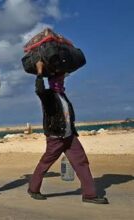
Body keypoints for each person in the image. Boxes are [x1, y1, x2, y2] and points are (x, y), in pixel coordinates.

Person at [27, 61, 108, 204]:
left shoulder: (63, 96)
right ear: (53, 82)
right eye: (59, 80)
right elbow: (39, 90)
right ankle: (33, 189)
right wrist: (39, 71)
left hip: (70, 137)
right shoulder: (48, 96)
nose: (62, 81)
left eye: (62, 79)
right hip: (55, 137)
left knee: (82, 162)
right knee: (45, 163)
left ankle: (89, 195)